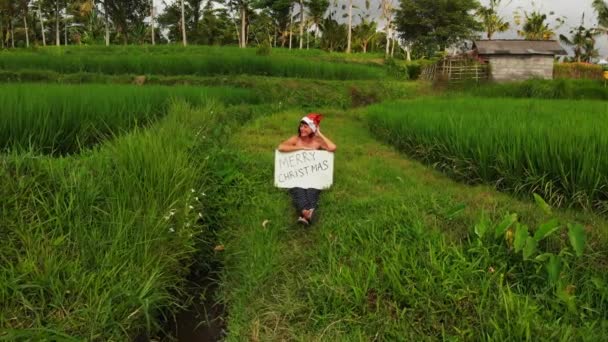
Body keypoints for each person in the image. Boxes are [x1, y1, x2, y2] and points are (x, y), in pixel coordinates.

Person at [277, 113, 337, 225]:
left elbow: (332, 148)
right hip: (297, 174)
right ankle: (308, 213)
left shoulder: (317, 141)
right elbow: (281, 147)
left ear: (312, 128)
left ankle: (304, 214)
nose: (302, 129)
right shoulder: (296, 139)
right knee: (297, 188)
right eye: (301, 126)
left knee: (312, 189)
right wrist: (301, 148)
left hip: (312, 175)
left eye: (305, 127)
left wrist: (320, 133)